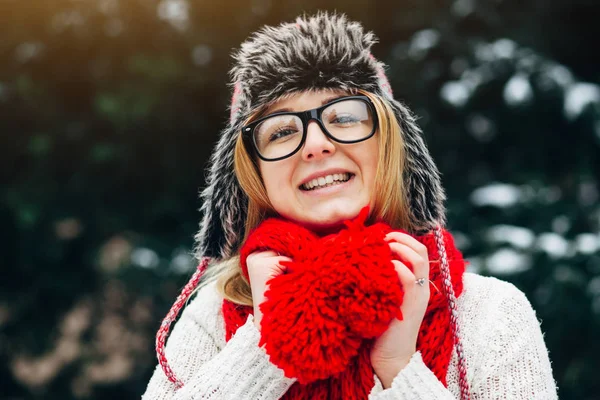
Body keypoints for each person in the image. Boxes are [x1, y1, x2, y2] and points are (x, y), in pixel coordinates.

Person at [143, 12, 557, 399]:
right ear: (253, 176)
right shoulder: (217, 316)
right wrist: (269, 344)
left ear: (390, 144)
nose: (317, 144)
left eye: (343, 117)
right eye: (282, 131)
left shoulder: (491, 317)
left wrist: (398, 367)